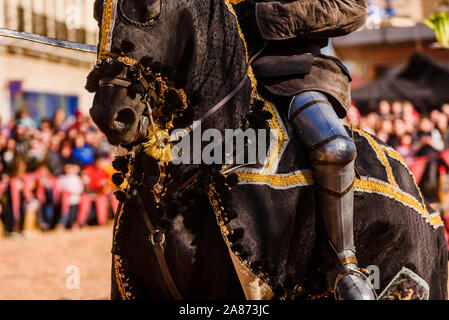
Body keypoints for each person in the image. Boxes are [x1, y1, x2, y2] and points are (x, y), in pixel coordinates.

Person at [236, 0, 376, 299]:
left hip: (296, 76)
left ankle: (344, 263)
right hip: (221, 83)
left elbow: (353, 9)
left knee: (335, 149)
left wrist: (268, 15)